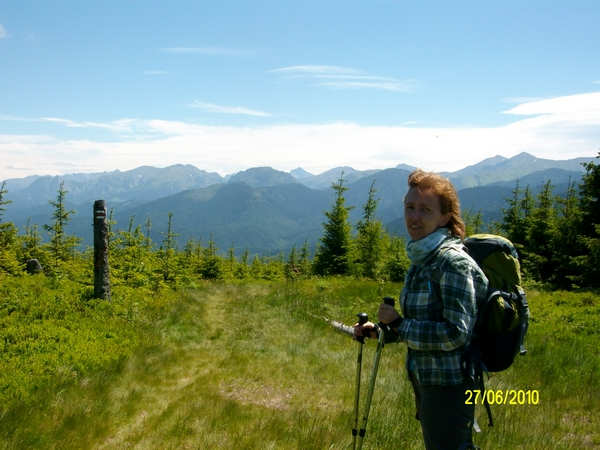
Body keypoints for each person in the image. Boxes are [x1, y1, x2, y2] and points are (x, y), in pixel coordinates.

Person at [354, 169, 488, 450]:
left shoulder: (451, 263)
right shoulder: (423, 257)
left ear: (444, 218)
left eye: (425, 209)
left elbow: (455, 334)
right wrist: (381, 331)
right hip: (427, 380)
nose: (414, 216)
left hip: (450, 385)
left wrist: (400, 325)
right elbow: (419, 323)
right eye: (410, 207)